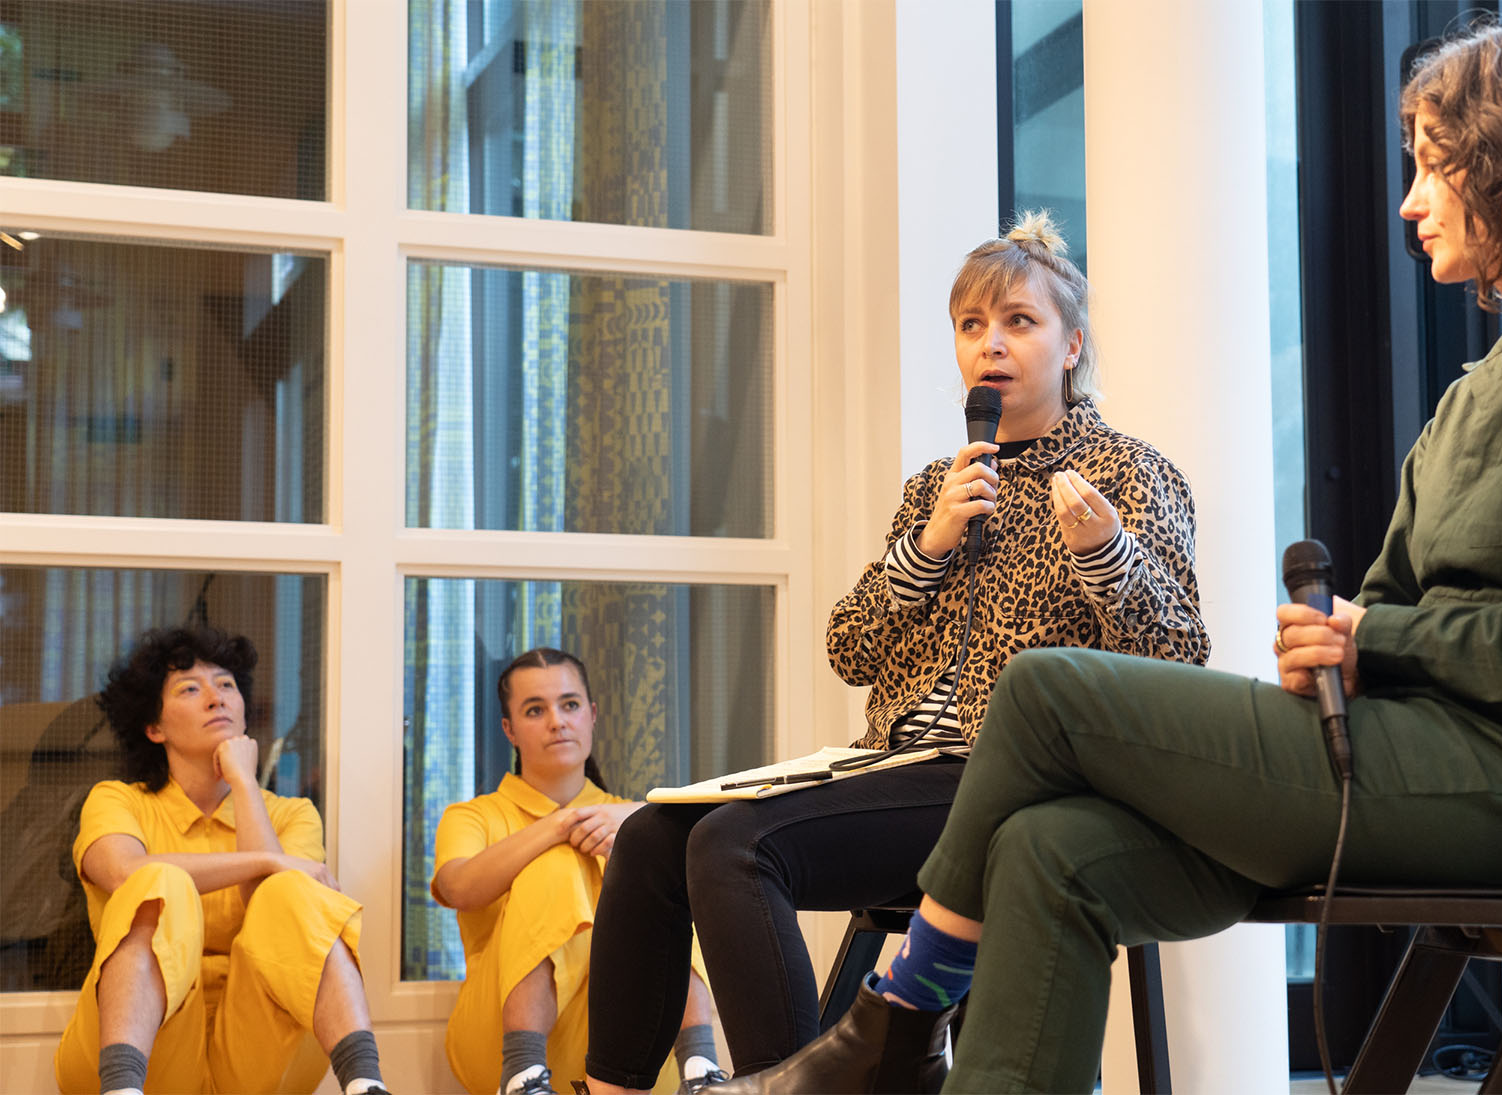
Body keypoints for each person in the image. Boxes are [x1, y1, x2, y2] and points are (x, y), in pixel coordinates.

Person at [734, 15, 1502, 1094]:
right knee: (1046, 852)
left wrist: (1378, 636)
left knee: (1044, 693)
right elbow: (1389, 613)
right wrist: (1338, 642)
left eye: (1434, 168)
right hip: (1404, 754)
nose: (1410, 201)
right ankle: (902, 1038)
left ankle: (896, 1022)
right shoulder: (1478, 389)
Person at [581, 212, 1210, 1093]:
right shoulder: (937, 486)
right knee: (652, 835)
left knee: (734, 845)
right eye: (971, 326)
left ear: (1071, 347)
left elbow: (1181, 661)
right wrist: (929, 545)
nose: (991, 344)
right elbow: (850, 647)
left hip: (1015, 780)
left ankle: (787, 1083)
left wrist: (1107, 554)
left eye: (1019, 322)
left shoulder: (1132, 473)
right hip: (891, 766)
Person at [54, 626, 389, 1095]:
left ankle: (366, 1084)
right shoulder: (117, 800)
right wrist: (271, 861)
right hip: (148, 1049)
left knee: (290, 892)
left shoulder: (291, 814)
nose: (216, 698)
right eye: (190, 689)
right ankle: (121, 1089)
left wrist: (246, 784)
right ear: (154, 728)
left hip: (257, 1050)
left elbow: (275, 909)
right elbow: (125, 872)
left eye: (226, 685)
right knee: (161, 883)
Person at [432, 648, 722, 1095]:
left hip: (636, 1048)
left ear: (591, 714)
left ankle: (701, 1068)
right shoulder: (473, 816)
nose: (556, 721)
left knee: (671, 875)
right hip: (497, 1042)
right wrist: (559, 825)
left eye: (569, 705)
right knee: (556, 862)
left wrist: (636, 817)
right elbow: (458, 888)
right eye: (535, 710)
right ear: (509, 730)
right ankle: (523, 1073)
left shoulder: (633, 816)